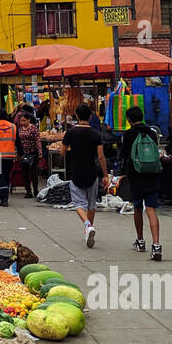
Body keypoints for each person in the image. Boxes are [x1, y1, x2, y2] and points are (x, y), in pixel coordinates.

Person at [119, 105, 163, 260]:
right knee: (151, 209)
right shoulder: (152, 133)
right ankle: (156, 245)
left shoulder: (129, 134)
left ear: (129, 119)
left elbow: (123, 155)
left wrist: (119, 172)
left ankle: (141, 241)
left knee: (137, 207)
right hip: (152, 174)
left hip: (136, 175)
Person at [63, 104, 109, 248]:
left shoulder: (70, 133)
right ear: (90, 116)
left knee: (78, 203)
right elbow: (101, 157)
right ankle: (89, 228)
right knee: (91, 204)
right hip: (92, 172)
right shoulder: (96, 134)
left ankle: (87, 225)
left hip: (76, 171)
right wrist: (106, 175)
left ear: (76, 116)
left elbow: (62, 152)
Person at [15, 107, 41, 199]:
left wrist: (40, 152)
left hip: (33, 153)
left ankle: (36, 190)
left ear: (29, 120)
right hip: (24, 154)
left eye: (24, 120)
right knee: (25, 172)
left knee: (33, 173)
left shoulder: (34, 128)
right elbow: (18, 142)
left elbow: (38, 140)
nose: (22, 123)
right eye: (21, 121)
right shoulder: (20, 130)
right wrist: (18, 154)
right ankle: (28, 191)